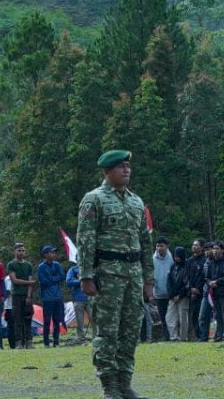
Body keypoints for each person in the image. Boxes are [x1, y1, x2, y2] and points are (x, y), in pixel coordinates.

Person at [75, 149, 154, 399]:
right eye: (121, 166)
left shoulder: (136, 201)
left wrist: (148, 278)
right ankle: (110, 385)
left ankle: (124, 382)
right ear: (107, 170)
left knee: (130, 331)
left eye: (128, 166)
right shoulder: (93, 199)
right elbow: (86, 239)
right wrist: (85, 275)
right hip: (107, 274)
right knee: (107, 332)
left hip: (133, 274)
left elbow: (145, 242)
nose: (127, 170)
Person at [197, 241, 224, 342]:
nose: (215, 251)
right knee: (214, 315)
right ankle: (211, 336)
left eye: (217, 248)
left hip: (223, 292)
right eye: (214, 249)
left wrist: (217, 282)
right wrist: (210, 282)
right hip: (212, 292)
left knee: (223, 314)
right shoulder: (210, 263)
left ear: (222, 250)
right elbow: (206, 277)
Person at [6, 242, 35, 349]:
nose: (21, 252)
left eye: (23, 250)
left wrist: (29, 296)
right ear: (15, 251)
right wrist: (28, 283)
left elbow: (31, 280)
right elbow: (14, 280)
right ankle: (18, 342)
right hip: (16, 295)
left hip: (26, 295)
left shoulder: (28, 265)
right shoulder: (11, 264)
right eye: (19, 250)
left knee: (28, 318)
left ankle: (29, 341)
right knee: (17, 319)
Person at [38, 247, 65, 347]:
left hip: (58, 296)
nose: (53, 254)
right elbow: (43, 281)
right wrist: (55, 279)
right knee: (47, 321)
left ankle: (56, 342)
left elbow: (62, 276)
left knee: (57, 320)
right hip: (47, 298)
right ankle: (46, 342)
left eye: (54, 252)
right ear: (45, 254)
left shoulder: (57, 265)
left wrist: (51, 279)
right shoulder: (41, 267)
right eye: (51, 253)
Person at [166, 247, 190, 341]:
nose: (176, 258)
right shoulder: (172, 266)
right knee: (169, 317)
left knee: (183, 318)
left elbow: (187, 283)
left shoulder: (187, 266)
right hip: (172, 296)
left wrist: (179, 295)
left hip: (182, 296)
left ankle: (183, 338)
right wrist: (171, 295)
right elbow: (169, 281)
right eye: (175, 256)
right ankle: (174, 337)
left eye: (178, 256)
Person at [66, 259, 92, 342]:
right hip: (78, 298)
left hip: (90, 297)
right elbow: (69, 281)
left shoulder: (90, 269)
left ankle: (96, 336)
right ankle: (81, 337)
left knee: (94, 319)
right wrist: (81, 281)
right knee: (79, 320)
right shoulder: (73, 270)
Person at [151, 238, 171, 338]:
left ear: (167, 246)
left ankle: (174, 336)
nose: (159, 248)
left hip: (170, 294)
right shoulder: (152, 259)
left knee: (171, 318)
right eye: (157, 246)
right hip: (158, 294)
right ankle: (165, 336)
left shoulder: (172, 258)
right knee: (162, 317)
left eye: (161, 246)